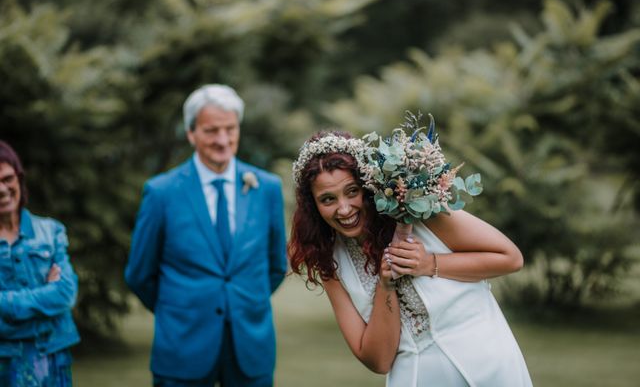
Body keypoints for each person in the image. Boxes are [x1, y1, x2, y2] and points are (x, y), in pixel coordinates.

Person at [288, 131, 533, 387]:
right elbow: (378, 360)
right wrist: (385, 286)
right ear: (312, 206)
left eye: (352, 191)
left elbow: (510, 257)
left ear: (368, 186)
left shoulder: (421, 211)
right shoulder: (330, 263)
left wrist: (429, 264)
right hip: (416, 378)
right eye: (328, 199)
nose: (344, 209)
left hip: (488, 366)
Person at [125, 84, 288, 387]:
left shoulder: (267, 188)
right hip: (182, 346)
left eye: (230, 129)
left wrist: (242, 301)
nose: (223, 140)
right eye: (212, 130)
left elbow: (276, 266)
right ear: (191, 133)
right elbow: (139, 274)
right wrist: (179, 309)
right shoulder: (161, 193)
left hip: (251, 347)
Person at [0, 140, 80, 386]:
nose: (2, 189)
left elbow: (66, 293)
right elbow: (54, 297)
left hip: (54, 359)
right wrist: (45, 295)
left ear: (19, 179)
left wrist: (8, 303)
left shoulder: (50, 231)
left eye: (7, 179)